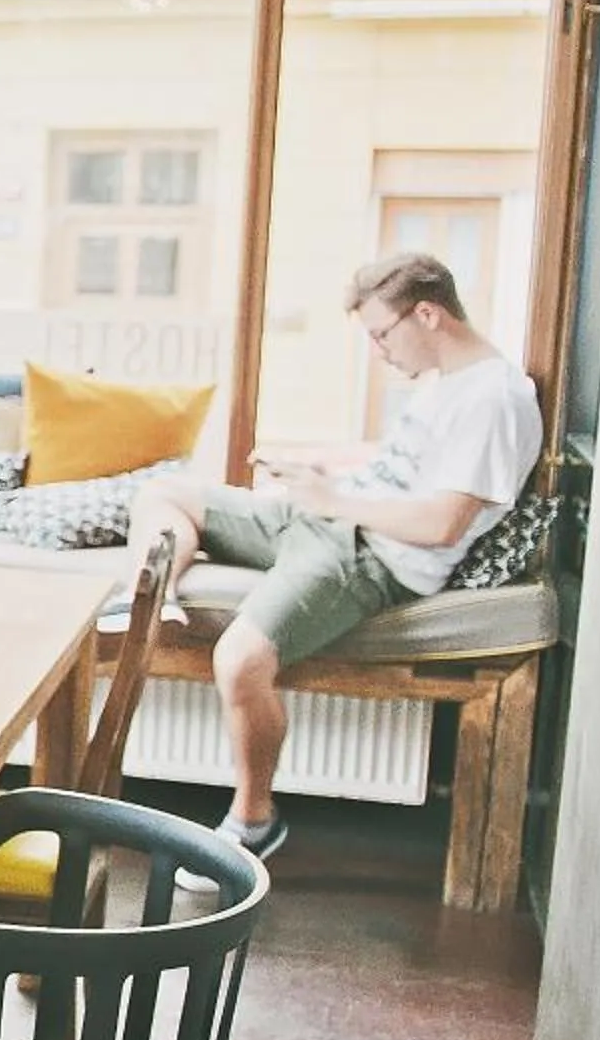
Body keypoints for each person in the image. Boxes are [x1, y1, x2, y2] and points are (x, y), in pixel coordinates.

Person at [123, 251, 542, 862]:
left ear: (427, 314)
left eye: (381, 334)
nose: (379, 352)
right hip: (330, 520)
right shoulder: (448, 384)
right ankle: (146, 602)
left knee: (238, 659)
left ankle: (253, 820)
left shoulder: (495, 400)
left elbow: (442, 523)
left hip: (368, 558)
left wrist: (335, 499)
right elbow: (403, 470)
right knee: (164, 492)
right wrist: (320, 469)